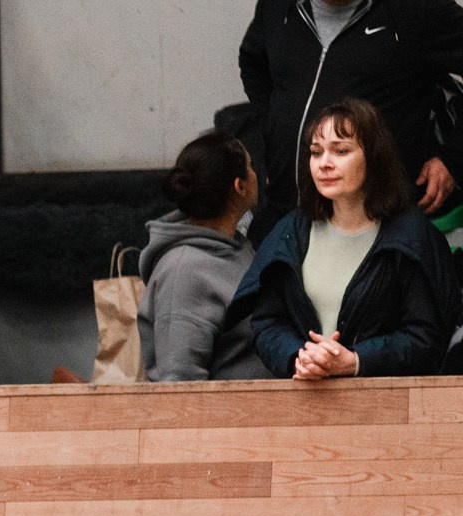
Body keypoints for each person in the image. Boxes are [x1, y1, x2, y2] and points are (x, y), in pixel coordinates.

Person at [234, 98, 460, 380]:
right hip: (302, 402)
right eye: (316, 153)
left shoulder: (411, 235)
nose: (324, 164)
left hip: (389, 409)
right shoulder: (291, 230)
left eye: (341, 151)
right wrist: (297, 357)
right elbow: (267, 321)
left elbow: (427, 335)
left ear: (374, 158)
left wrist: (356, 360)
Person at [239, 0, 463, 235]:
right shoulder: (276, 6)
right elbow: (253, 62)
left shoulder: (418, 9)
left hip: (377, 225)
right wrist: (274, 135)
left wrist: (453, 159)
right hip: (285, 215)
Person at [139, 133, 271, 382]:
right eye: (251, 167)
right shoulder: (183, 271)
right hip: (225, 418)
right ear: (239, 186)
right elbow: (180, 382)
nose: (258, 175)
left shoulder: (238, 249)